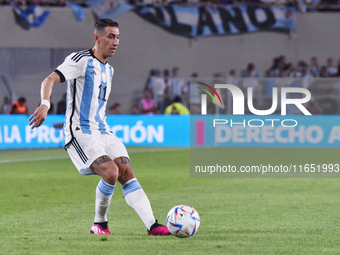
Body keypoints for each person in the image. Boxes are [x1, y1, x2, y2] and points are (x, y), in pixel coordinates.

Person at [29, 19, 170, 236]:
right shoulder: (80, 60)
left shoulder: (109, 70)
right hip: (80, 132)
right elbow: (49, 80)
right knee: (111, 172)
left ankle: (152, 225)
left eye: (118, 37)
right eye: (111, 36)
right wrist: (45, 104)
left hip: (104, 131)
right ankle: (100, 224)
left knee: (125, 171)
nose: (115, 42)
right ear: (97, 38)